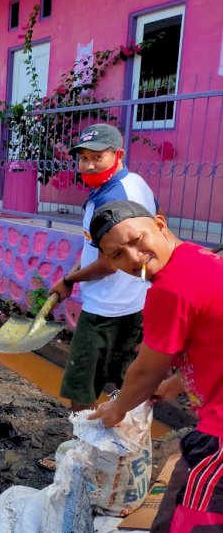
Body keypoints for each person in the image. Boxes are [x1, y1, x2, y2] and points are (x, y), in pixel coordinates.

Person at [87, 200, 223, 532]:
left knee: (184, 520)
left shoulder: (171, 290)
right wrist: (173, 385)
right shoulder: (197, 257)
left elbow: (145, 372)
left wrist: (117, 409)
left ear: (160, 224)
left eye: (136, 241)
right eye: (117, 255)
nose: (133, 259)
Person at [49, 124, 156, 413]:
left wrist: (69, 279)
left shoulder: (109, 201)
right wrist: (71, 277)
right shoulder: (137, 183)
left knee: (81, 384)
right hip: (135, 302)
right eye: (83, 158)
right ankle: (122, 447)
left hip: (104, 309)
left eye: (98, 156)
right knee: (127, 382)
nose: (89, 164)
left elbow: (109, 263)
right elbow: (97, 249)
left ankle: (82, 450)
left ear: (117, 154)